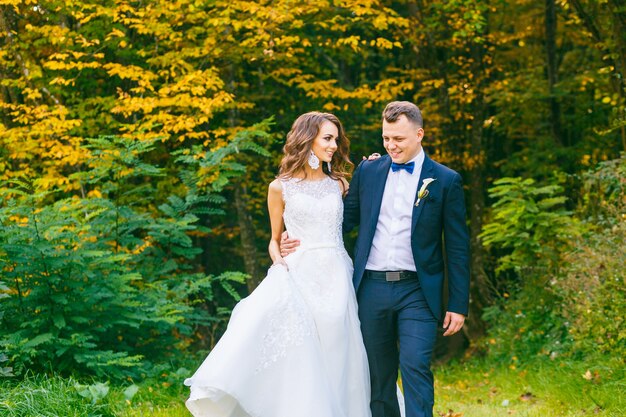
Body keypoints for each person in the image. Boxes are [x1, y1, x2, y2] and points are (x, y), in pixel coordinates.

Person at [281, 101, 470, 417]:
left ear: (419, 134)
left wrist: (458, 304)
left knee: (415, 365)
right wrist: (298, 234)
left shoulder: (446, 180)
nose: (391, 146)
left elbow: (458, 247)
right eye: (386, 138)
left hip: (418, 292)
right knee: (377, 376)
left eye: (399, 139)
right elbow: (344, 220)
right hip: (371, 289)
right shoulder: (368, 171)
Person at [184, 112, 372, 417]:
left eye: (336, 139)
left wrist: (373, 166)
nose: (334, 145)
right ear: (307, 138)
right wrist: (279, 261)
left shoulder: (340, 183)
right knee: (304, 349)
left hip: (336, 272)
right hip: (299, 272)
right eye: (327, 138)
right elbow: (273, 240)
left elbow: (360, 214)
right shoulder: (279, 187)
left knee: (339, 342)